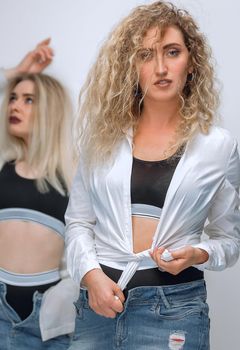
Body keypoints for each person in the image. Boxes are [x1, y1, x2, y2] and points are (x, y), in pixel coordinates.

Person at [65, 1, 240, 349]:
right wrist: (91, 276)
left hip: (175, 314)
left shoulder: (218, 147)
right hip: (97, 309)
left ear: (191, 63)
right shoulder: (103, 139)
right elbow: (78, 223)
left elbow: (229, 241)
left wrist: (198, 253)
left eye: (172, 52)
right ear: (131, 67)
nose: (160, 67)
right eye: (146, 55)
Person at [0, 72, 78, 349]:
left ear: (50, 111)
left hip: (46, 323)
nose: (14, 106)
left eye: (28, 100)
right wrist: (19, 70)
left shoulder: (74, 175)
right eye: (12, 98)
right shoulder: (2, 165)